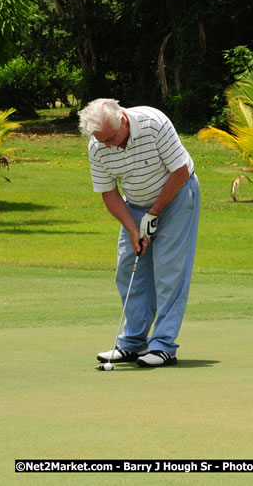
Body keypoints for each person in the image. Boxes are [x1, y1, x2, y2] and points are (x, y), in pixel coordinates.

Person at [78, 98, 200, 367]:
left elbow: (179, 172)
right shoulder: (98, 146)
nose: (108, 146)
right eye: (102, 141)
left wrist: (154, 213)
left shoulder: (153, 123)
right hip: (134, 203)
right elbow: (109, 193)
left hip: (178, 195)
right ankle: (133, 343)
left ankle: (163, 345)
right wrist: (133, 228)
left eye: (111, 139)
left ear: (122, 119)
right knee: (128, 267)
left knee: (169, 269)